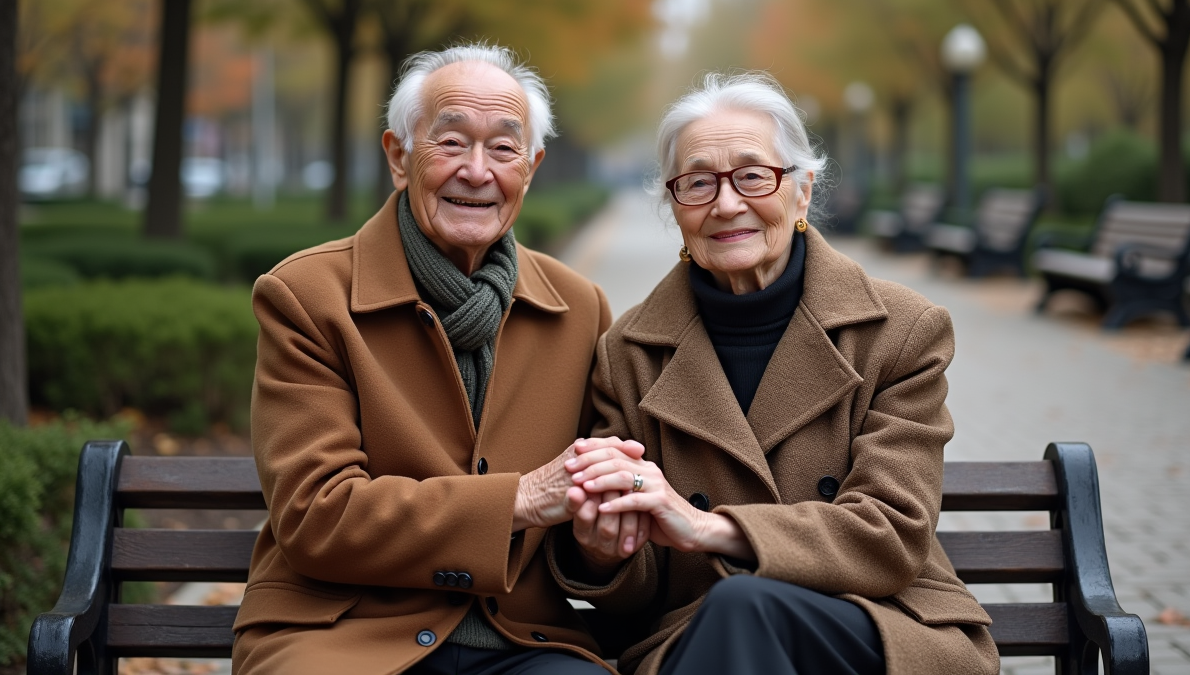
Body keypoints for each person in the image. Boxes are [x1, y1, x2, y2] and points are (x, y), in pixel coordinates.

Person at [549, 72, 1001, 675]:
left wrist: (709, 527)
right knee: (735, 612)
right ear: (674, 205)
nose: (727, 203)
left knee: (744, 604)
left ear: (803, 191)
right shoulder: (626, 350)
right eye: (698, 183)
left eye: (754, 175)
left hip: (880, 629)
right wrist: (604, 550)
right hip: (704, 639)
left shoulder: (902, 330)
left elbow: (890, 533)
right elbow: (639, 593)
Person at [232, 43, 644, 675]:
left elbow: (584, 532)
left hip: (522, 641)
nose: (477, 171)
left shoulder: (579, 307)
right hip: (344, 638)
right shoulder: (307, 297)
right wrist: (518, 500)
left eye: (504, 149)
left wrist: (598, 542)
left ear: (530, 169)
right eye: (450, 142)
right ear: (399, 157)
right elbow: (316, 515)